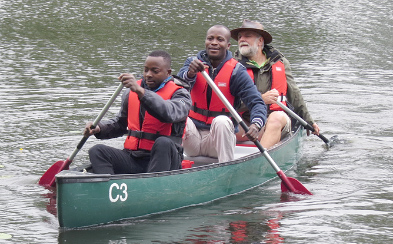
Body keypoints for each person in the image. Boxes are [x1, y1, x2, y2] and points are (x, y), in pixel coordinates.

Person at [83, 50, 192, 174]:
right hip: (134, 157)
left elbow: (169, 113)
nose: (148, 75)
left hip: (165, 160)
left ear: (168, 73)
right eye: (146, 70)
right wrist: (99, 128)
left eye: (155, 71)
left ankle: (152, 187)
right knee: (97, 151)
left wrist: (141, 92)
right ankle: (109, 188)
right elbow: (120, 124)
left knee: (163, 142)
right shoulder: (131, 92)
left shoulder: (181, 94)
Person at [177, 25, 267, 163]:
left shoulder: (237, 71)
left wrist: (255, 125)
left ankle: (226, 170)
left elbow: (257, 103)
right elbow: (176, 88)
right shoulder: (192, 63)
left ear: (228, 45)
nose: (214, 42)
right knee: (178, 115)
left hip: (217, 143)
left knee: (222, 121)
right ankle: (171, 164)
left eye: (220, 39)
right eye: (210, 39)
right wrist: (190, 74)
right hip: (192, 140)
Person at [230, 19, 320, 148]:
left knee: (277, 117)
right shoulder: (233, 66)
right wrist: (261, 99)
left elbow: (294, 93)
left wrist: (309, 121)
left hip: (273, 122)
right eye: (239, 37)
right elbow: (226, 103)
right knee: (222, 121)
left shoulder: (280, 62)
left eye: (247, 36)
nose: (241, 39)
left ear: (260, 41)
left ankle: (259, 161)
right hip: (246, 124)